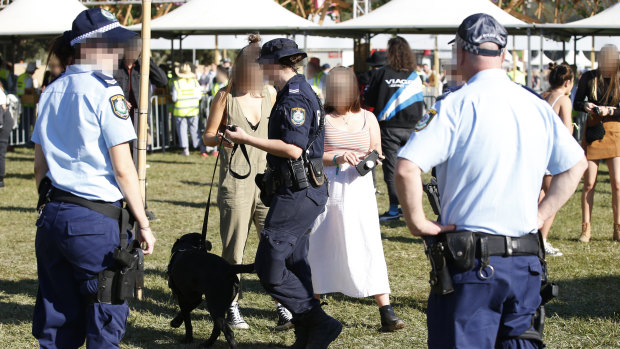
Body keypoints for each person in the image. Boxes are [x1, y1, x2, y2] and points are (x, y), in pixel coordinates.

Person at [395, 13, 586, 348]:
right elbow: (576, 165)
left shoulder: (455, 105)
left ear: (462, 54)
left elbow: (407, 167)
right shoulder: (536, 105)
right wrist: (540, 216)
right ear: (502, 54)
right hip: (525, 261)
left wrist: (418, 223)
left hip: (472, 266)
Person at [31, 8, 156, 348]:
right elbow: (123, 168)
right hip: (95, 220)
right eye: (112, 47)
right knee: (104, 318)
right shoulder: (106, 91)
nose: (117, 54)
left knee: (57, 322)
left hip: (54, 214)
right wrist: (143, 222)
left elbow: (39, 167)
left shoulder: (51, 91)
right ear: (91, 49)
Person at [224, 38, 342, 349]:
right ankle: (307, 335)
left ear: (275, 65)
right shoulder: (297, 92)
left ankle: (318, 321)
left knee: (269, 266)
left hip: (297, 193)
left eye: (264, 64)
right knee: (294, 263)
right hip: (298, 190)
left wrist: (247, 139)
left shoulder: (294, 97)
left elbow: (292, 148)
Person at [202, 34, 293, 332]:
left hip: (268, 181)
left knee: (275, 245)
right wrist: (222, 139)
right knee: (234, 249)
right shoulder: (225, 96)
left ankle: (283, 305)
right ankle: (231, 306)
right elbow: (208, 136)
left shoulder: (271, 93)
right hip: (236, 182)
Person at [307, 66, 405, 332]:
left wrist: (372, 159)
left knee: (367, 242)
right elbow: (311, 155)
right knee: (321, 244)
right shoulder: (322, 118)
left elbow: (376, 150)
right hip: (329, 188)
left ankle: (386, 310)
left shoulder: (368, 118)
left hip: (360, 190)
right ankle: (312, 308)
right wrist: (337, 157)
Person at [363, 36, 424, 221]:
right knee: (413, 169)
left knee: (391, 169)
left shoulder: (381, 73)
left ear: (390, 53)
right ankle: (414, 209)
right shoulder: (415, 76)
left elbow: (369, 99)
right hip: (412, 128)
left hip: (389, 128)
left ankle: (393, 209)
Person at [574, 44, 620, 242]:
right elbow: (576, 102)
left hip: (615, 131)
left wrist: (609, 111)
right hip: (593, 131)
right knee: (590, 182)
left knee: (617, 183)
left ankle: (618, 228)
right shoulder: (589, 77)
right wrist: (585, 105)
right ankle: (586, 229)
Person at [539, 62, 575, 256]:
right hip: (552, 154)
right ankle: (542, 240)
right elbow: (567, 129)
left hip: (537, 152)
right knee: (553, 197)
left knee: (538, 197)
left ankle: (533, 237)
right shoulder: (563, 99)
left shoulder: (542, 96)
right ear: (568, 82)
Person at [114, 36, 168, 125]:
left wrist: (148, 59)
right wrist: (119, 98)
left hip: (141, 117)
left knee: (146, 137)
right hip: (120, 116)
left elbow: (162, 81)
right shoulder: (116, 66)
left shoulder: (144, 66)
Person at [172, 62, 202, 156]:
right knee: (195, 129)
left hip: (180, 110)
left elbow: (174, 98)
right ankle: (198, 146)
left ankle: (186, 150)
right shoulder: (195, 82)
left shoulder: (177, 83)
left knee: (182, 131)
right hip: (193, 110)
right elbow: (199, 96)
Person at [0, 81, 12, 188]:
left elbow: (2, 111)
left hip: (3, 122)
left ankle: (0, 179)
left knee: (1, 151)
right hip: (4, 120)